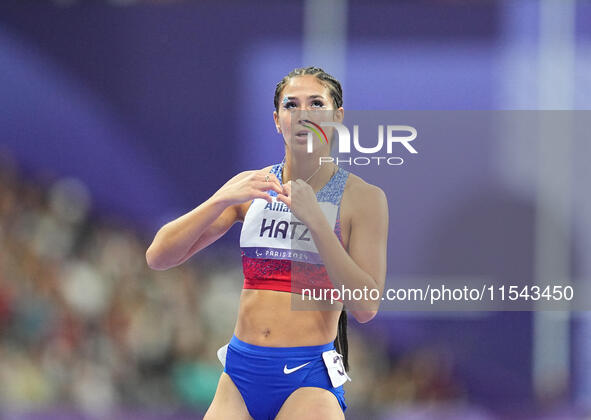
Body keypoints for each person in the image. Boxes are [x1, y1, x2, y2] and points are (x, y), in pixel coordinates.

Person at [146, 66, 389, 420]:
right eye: (292, 105)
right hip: (240, 375)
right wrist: (220, 200)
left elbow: (366, 307)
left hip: (307, 381)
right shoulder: (253, 187)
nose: (303, 114)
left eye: (316, 103)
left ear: (337, 117)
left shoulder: (362, 198)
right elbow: (158, 256)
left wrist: (318, 224)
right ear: (278, 120)